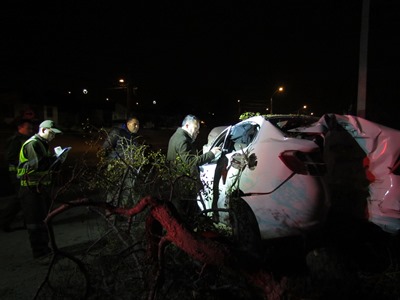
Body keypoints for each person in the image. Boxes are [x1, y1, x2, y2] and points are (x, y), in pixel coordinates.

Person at [17, 120, 62, 259]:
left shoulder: (42, 144)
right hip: (30, 189)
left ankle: (45, 249)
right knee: (35, 223)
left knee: (42, 221)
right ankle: (40, 253)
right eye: (51, 133)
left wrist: (57, 160)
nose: (53, 136)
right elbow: (39, 165)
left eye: (54, 134)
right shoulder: (33, 143)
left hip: (39, 188)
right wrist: (56, 159)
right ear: (42, 130)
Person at [167, 114, 221, 219]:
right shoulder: (183, 140)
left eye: (198, 129)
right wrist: (211, 154)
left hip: (176, 182)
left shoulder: (176, 136)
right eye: (196, 128)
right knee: (185, 214)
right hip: (183, 183)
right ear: (187, 126)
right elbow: (190, 162)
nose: (198, 132)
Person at [1, 120, 34, 232]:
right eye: (28, 128)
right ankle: (5, 221)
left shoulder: (25, 140)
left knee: (25, 198)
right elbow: (11, 158)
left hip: (24, 174)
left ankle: (27, 222)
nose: (31, 130)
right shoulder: (15, 141)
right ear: (20, 127)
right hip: (18, 174)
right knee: (20, 199)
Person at [102, 116, 141, 206]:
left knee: (127, 190)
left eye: (138, 125)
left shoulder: (134, 136)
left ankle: (121, 211)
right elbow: (105, 148)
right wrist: (113, 161)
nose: (137, 127)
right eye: (135, 124)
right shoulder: (117, 132)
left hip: (129, 167)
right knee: (114, 190)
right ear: (128, 124)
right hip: (116, 166)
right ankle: (111, 213)